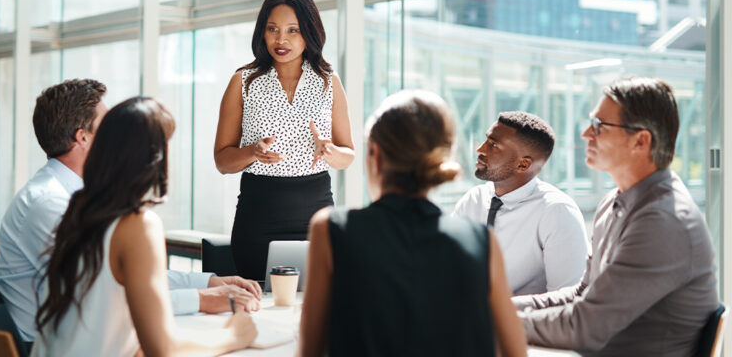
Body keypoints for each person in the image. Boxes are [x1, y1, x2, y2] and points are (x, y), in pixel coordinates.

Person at [0, 79, 261, 343]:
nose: (114, 138)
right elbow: (105, 295)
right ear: (82, 137)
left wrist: (206, 283)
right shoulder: (52, 203)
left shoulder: (78, 199)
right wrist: (204, 302)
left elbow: (126, 275)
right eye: (107, 128)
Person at [298, 90, 527, 357]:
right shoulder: (481, 241)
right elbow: (515, 352)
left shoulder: (331, 229)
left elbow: (309, 352)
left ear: (376, 156)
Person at [513, 78, 718, 356]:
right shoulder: (614, 202)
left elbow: (586, 327)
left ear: (640, 141)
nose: (586, 133)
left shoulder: (663, 222)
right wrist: (500, 307)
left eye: (599, 126)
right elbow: (581, 294)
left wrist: (496, 320)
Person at [214, 0, 355, 280]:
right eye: (273, 29)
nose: (281, 40)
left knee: (317, 308)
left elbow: (348, 155)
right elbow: (222, 162)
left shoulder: (329, 82)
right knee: (257, 305)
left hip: (316, 214)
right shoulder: (242, 82)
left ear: (309, 33)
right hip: (257, 217)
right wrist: (252, 151)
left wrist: (329, 151)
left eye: (293, 30)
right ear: (262, 33)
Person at [453, 111, 589, 295]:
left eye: (493, 145)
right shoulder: (472, 200)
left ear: (523, 165)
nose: (481, 150)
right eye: (486, 140)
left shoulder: (557, 212)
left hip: (522, 321)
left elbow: (567, 298)